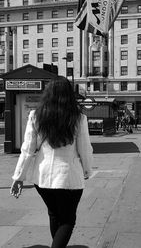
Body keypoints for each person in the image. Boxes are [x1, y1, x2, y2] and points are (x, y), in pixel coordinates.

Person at [10, 76, 93, 248]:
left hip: (43, 178)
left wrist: (18, 178)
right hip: (69, 178)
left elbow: (27, 150)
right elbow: (85, 149)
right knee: (68, 220)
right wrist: (87, 170)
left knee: (54, 215)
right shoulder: (78, 118)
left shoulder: (35, 116)